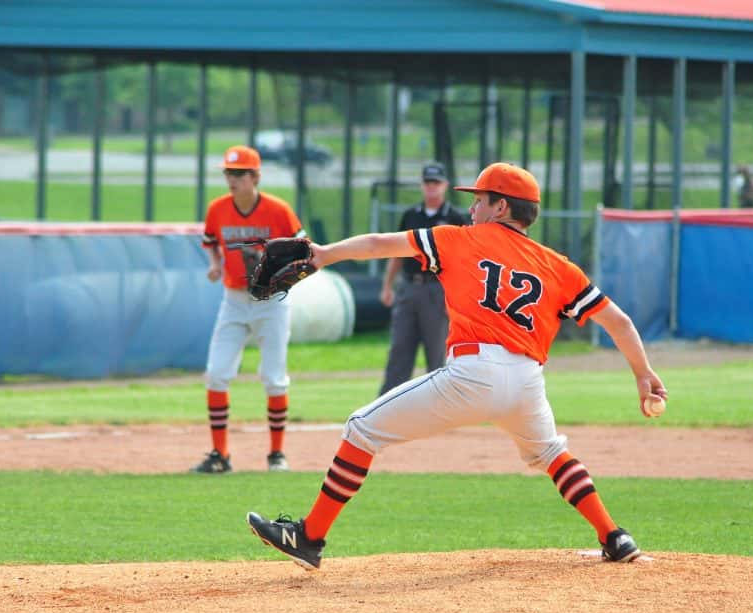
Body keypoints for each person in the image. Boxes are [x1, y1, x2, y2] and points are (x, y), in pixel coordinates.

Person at [247, 162, 668, 569]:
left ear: (501, 206)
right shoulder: (559, 266)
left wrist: (322, 254)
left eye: (480, 199)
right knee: (550, 453)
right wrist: (643, 373)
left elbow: (377, 245)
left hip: (474, 372)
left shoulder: (459, 239)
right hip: (527, 381)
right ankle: (615, 537)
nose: (472, 207)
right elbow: (619, 322)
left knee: (361, 429)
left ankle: (310, 537)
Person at [192, 145, 305, 474]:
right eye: (229, 173)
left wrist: (284, 274)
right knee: (216, 373)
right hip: (234, 301)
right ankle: (220, 455)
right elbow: (210, 243)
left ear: (255, 176)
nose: (233, 179)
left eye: (240, 173)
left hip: (270, 302)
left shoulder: (278, 210)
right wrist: (215, 265)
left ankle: (276, 454)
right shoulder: (217, 209)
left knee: (274, 378)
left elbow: (304, 249)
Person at [378, 162, 469, 395]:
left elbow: (464, 262)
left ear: (445, 185)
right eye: (428, 182)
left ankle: (440, 403)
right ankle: (388, 402)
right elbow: (397, 254)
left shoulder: (455, 217)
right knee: (399, 349)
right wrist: (387, 286)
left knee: (436, 352)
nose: (432, 187)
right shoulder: (411, 215)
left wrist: (457, 297)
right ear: (422, 185)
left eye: (436, 182)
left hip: (438, 290)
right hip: (409, 287)